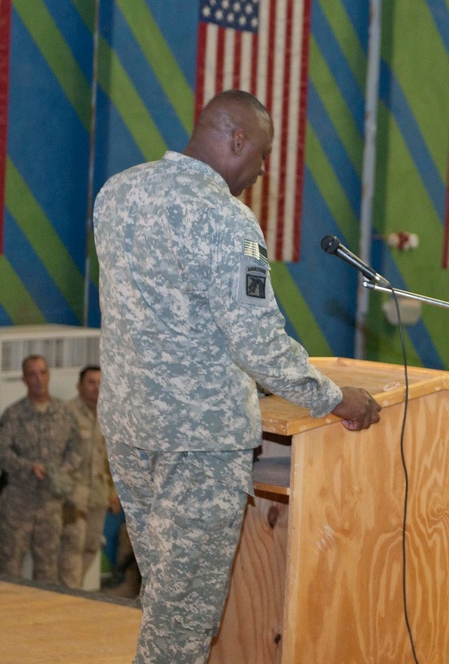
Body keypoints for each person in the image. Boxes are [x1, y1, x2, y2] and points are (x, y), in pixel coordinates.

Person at [93, 89, 381, 663]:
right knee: (183, 626)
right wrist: (333, 398)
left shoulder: (118, 191)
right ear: (237, 139)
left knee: (167, 605)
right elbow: (258, 343)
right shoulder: (225, 217)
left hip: (129, 431)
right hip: (198, 445)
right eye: (263, 154)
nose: (262, 169)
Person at [0, 355, 83, 583]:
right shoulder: (14, 415)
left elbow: (77, 449)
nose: (38, 379)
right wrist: (27, 467)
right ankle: (6, 617)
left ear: (48, 376)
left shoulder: (64, 413)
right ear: (24, 379)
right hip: (18, 504)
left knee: (47, 568)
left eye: (42, 373)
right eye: (32, 374)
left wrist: (61, 470)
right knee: (9, 567)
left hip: (50, 504)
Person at [58, 366, 120, 588]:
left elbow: (111, 459)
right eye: (91, 382)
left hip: (98, 495)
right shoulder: (66, 413)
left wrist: (114, 492)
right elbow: (56, 455)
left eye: (100, 382)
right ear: (79, 386)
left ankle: (73, 590)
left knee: (92, 546)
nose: (96, 388)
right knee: (73, 546)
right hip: (73, 495)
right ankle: (69, 597)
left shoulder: (109, 415)